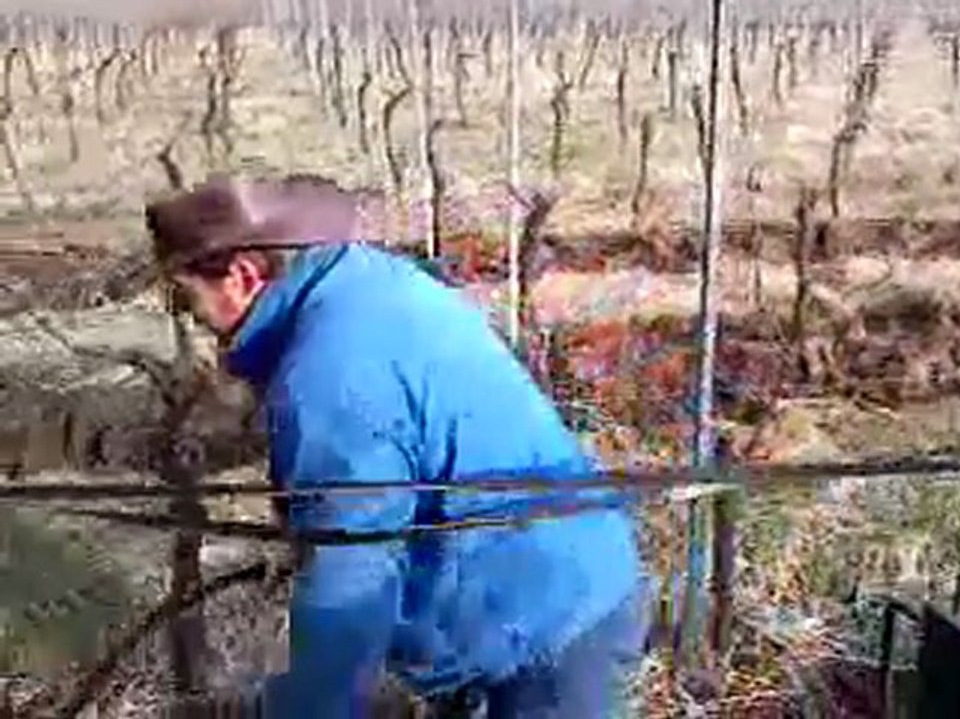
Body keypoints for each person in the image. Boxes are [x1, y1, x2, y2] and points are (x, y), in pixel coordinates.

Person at [145, 173, 654, 718]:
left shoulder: (329, 377)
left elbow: (350, 582)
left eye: (183, 297)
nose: (189, 320)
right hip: (555, 594)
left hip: (544, 634)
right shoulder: (363, 284)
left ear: (242, 276)